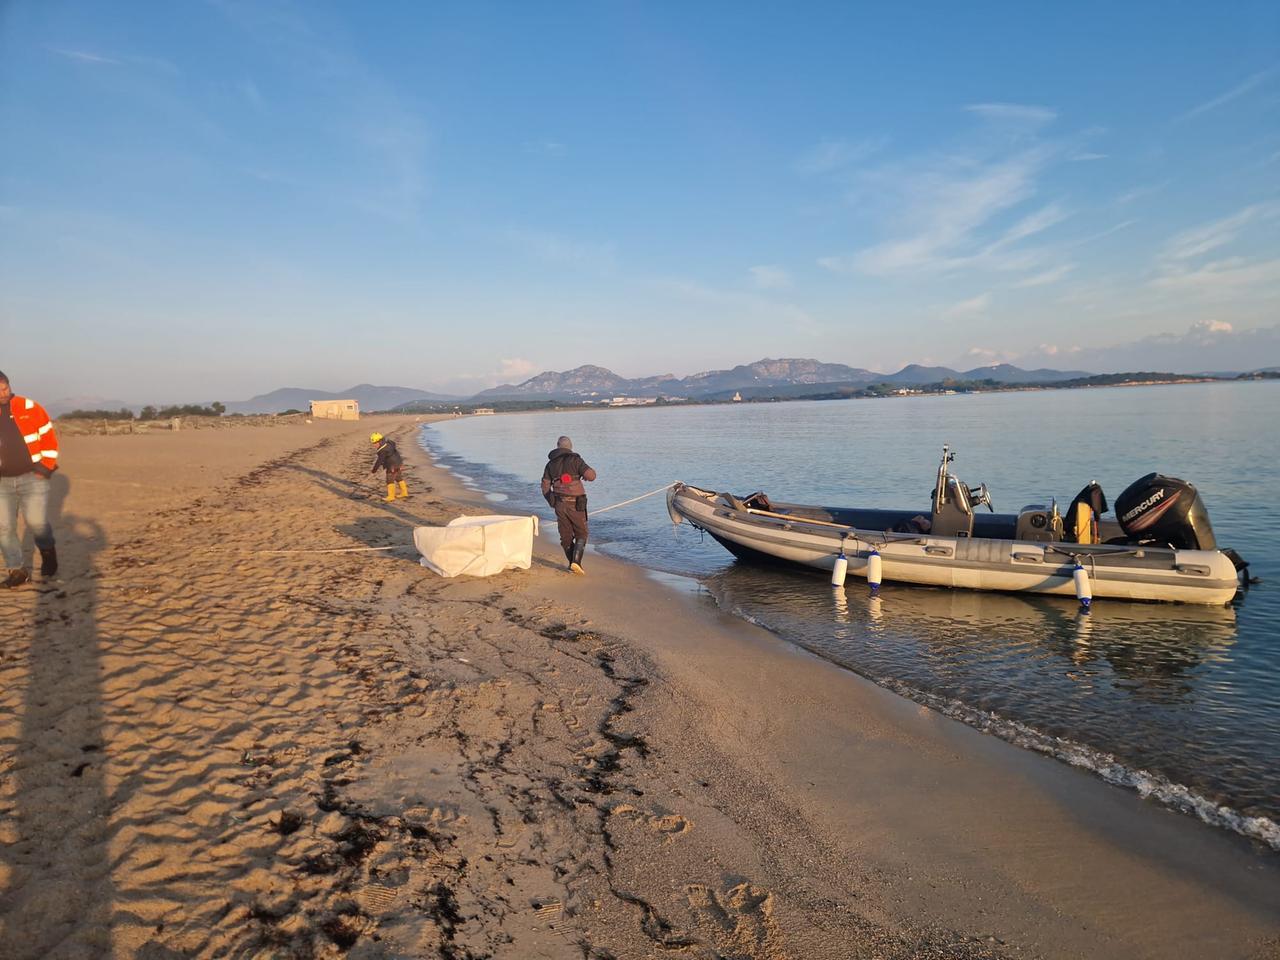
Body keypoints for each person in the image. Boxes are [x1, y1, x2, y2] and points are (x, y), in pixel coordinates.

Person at [0, 371, 58, 587]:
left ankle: (48, 551)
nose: (3, 394)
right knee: (4, 528)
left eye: (5, 388)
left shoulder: (29, 407)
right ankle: (17, 570)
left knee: (36, 522)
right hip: (1, 483)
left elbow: (48, 438)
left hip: (32, 477)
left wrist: (45, 468)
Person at [541, 435, 596, 574]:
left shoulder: (550, 464)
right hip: (576, 503)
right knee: (582, 533)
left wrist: (552, 501)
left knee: (565, 536)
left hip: (559, 504)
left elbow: (545, 485)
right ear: (570, 447)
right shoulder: (576, 460)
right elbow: (591, 476)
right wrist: (583, 474)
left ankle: (572, 564)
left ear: (557, 446)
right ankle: (576, 562)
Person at [370, 432, 408, 502]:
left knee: (389, 480)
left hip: (392, 465)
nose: (374, 445)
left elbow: (379, 461)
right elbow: (391, 448)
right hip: (399, 462)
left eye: (375, 443)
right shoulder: (389, 443)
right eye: (373, 443)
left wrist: (374, 470)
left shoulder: (382, 450)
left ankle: (391, 496)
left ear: (379, 441)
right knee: (398, 477)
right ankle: (404, 493)